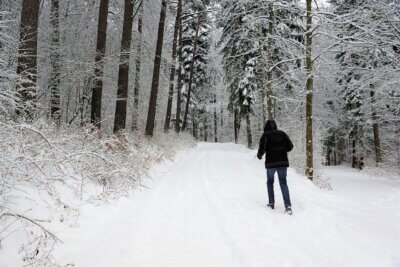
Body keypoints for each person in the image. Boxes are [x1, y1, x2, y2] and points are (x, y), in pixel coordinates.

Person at [257, 120, 294, 215]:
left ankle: (271, 203)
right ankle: (288, 206)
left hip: (271, 163)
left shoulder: (265, 135)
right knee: (283, 183)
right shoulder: (282, 134)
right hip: (282, 162)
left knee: (270, 182)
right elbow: (290, 147)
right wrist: (281, 149)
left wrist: (259, 155)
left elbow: (262, 147)